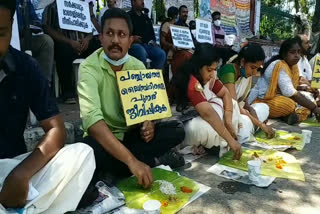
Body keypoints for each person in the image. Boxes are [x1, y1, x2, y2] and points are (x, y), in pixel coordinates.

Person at [0, 1, 95, 213]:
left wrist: (22, 174)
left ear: (11, 24)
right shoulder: (52, 9)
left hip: (13, 169)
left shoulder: (25, 67)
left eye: (0, 33)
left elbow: (56, 130)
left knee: (82, 154)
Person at [78, 8, 185, 189]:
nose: (115, 40)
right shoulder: (88, 68)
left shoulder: (138, 66)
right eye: (109, 33)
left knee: (177, 130)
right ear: (101, 37)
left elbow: (150, 109)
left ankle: (118, 168)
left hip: (131, 136)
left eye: (122, 35)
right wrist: (131, 161)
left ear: (130, 40)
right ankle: (144, 162)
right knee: (87, 149)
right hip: (105, 140)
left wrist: (149, 123)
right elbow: (93, 123)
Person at [173, 43, 242, 160]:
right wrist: (231, 140)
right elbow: (207, 113)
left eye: (214, 70)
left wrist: (229, 121)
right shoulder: (191, 81)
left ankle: (218, 141)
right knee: (202, 128)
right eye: (209, 70)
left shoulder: (209, 76)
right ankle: (222, 142)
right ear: (198, 66)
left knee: (232, 104)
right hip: (183, 124)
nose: (212, 74)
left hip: (206, 115)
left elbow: (226, 94)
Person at [248, 37, 320, 124]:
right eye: (292, 52)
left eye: (298, 52)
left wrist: (306, 89)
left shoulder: (293, 66)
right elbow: (290, 93)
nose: (297, 55)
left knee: (309, 98)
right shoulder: (280, 65)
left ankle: (292, 116)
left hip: (280, 97)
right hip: (262, 100)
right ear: (284, 54)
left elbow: (290, 87)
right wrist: (314, 108)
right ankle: (294, 114)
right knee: (290, 105)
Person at [43, 0, 100, 104]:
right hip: (65, 43)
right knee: (63, 52)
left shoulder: (81, 6)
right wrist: (70, 42)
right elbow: (47, 29)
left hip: (84, 43)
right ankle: (68, 93)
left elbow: (92, 29)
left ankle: (99, 87)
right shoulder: (51, 8)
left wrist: (87, 39)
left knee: (98, 48)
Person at [218, 44, 274, 138]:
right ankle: (250, 129)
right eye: (252, 67)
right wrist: (261, 124)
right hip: (225, 112)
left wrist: (253, 114)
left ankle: (252, 127)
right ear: (243, 62)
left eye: (257, 68)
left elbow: (246, 104)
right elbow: (234, 105)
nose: (254, 72)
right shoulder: (228, 70)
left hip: (240, 111)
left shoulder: (247, 76)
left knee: (264, 107)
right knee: (242, 129)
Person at [16, 0, 54, 84]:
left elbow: (35, 19)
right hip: (10, 40)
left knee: (46, 41)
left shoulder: (25, 2)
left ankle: (44, 85)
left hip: (25, 39)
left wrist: (35, 25)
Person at [128, 0, 166, 69]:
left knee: (161, 54)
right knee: (141, 52)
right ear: (133, 2)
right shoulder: (128, 17)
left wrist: (153, 42)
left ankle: (155, 77)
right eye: (140, 0)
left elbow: (152, 34)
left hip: (148, 45)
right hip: (134, 45)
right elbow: (124, 34)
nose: (143, 2)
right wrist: (133, 38)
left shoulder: (146, 18)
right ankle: (143, 77)